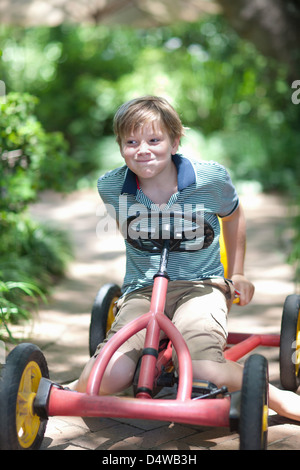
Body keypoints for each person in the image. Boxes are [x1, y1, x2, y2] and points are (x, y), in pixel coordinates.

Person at [75, 95, 300, 422]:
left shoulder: (210, 179)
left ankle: (277, 396)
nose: (142, 149)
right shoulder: (111, 187)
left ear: (175, 140)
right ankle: (89, 377)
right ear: (120, 145)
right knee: (107, 378)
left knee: (200, 368)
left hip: (201, 286)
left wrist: (238, 273)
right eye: (131, 142)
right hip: (143, 291)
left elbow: (234, 217)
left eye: (154, 140)